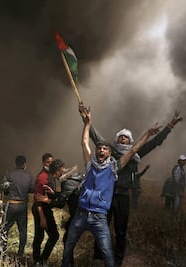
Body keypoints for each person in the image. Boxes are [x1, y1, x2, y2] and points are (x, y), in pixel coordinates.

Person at [61, 104, 161, 267]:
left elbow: (135, 149)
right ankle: (90, 260)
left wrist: (149, 133)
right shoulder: (90, 164)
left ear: (109, 153)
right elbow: (85, 142)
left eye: (104, 148)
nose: (101, 149)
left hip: (103, 212)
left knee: (111, 247)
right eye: (99, 148)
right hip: (82, 214)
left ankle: (114, 261)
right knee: (69, 247)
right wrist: (87, 124)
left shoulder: (115, 166)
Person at [88, 105, 182, 266]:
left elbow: (156, 142)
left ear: (130, 141)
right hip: (107, 195)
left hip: (123, 196)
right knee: (101, 226)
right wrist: (87, 121)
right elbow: (96, 138)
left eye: (126, 137)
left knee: (121, 230)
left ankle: (117, 261)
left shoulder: (136, 154)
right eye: (120, 137)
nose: (122, 139)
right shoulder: (111, 152)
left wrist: (170, 125)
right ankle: (98, 256)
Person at [32, 154, 65, 266]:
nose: (50, 164)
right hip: (40, 209)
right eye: (48, 162)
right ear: (43, 163)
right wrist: (42, 218)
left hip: (46, 208)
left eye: (52, 162)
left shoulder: (51, 175)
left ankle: (40, 260)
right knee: (44, 235)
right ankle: (39, 261)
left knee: (46, 235)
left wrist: (53, 194)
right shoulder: (42, 177)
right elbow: (37, 200)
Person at [2, 155, 35, 260]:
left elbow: (5, 190)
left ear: (16, 164)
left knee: (5, 229)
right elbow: (32, 189)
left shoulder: (10, 175)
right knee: (23, 230)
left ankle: (2, 250)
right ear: (25, 164)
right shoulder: (29, 175)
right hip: (22, 205)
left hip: (11, 204)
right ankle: (20, 253)